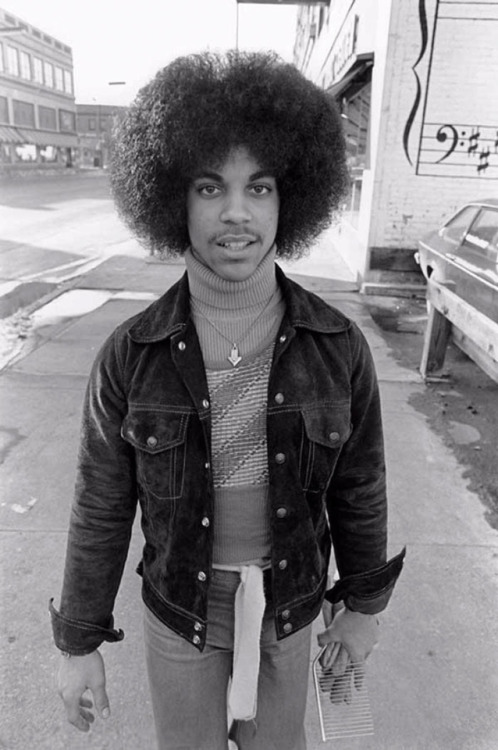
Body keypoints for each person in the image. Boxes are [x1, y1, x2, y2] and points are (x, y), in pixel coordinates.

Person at [50, 50, 405, 750]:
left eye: (261, 187)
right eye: (211, 188)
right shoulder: (133, 354)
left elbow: (360, 486)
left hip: (290, 606)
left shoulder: (336, 346)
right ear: (172, 198)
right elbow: (101, 506)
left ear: (291, 198)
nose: (237, 213)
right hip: (182, 609)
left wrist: (364, 608)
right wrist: (77, 644)